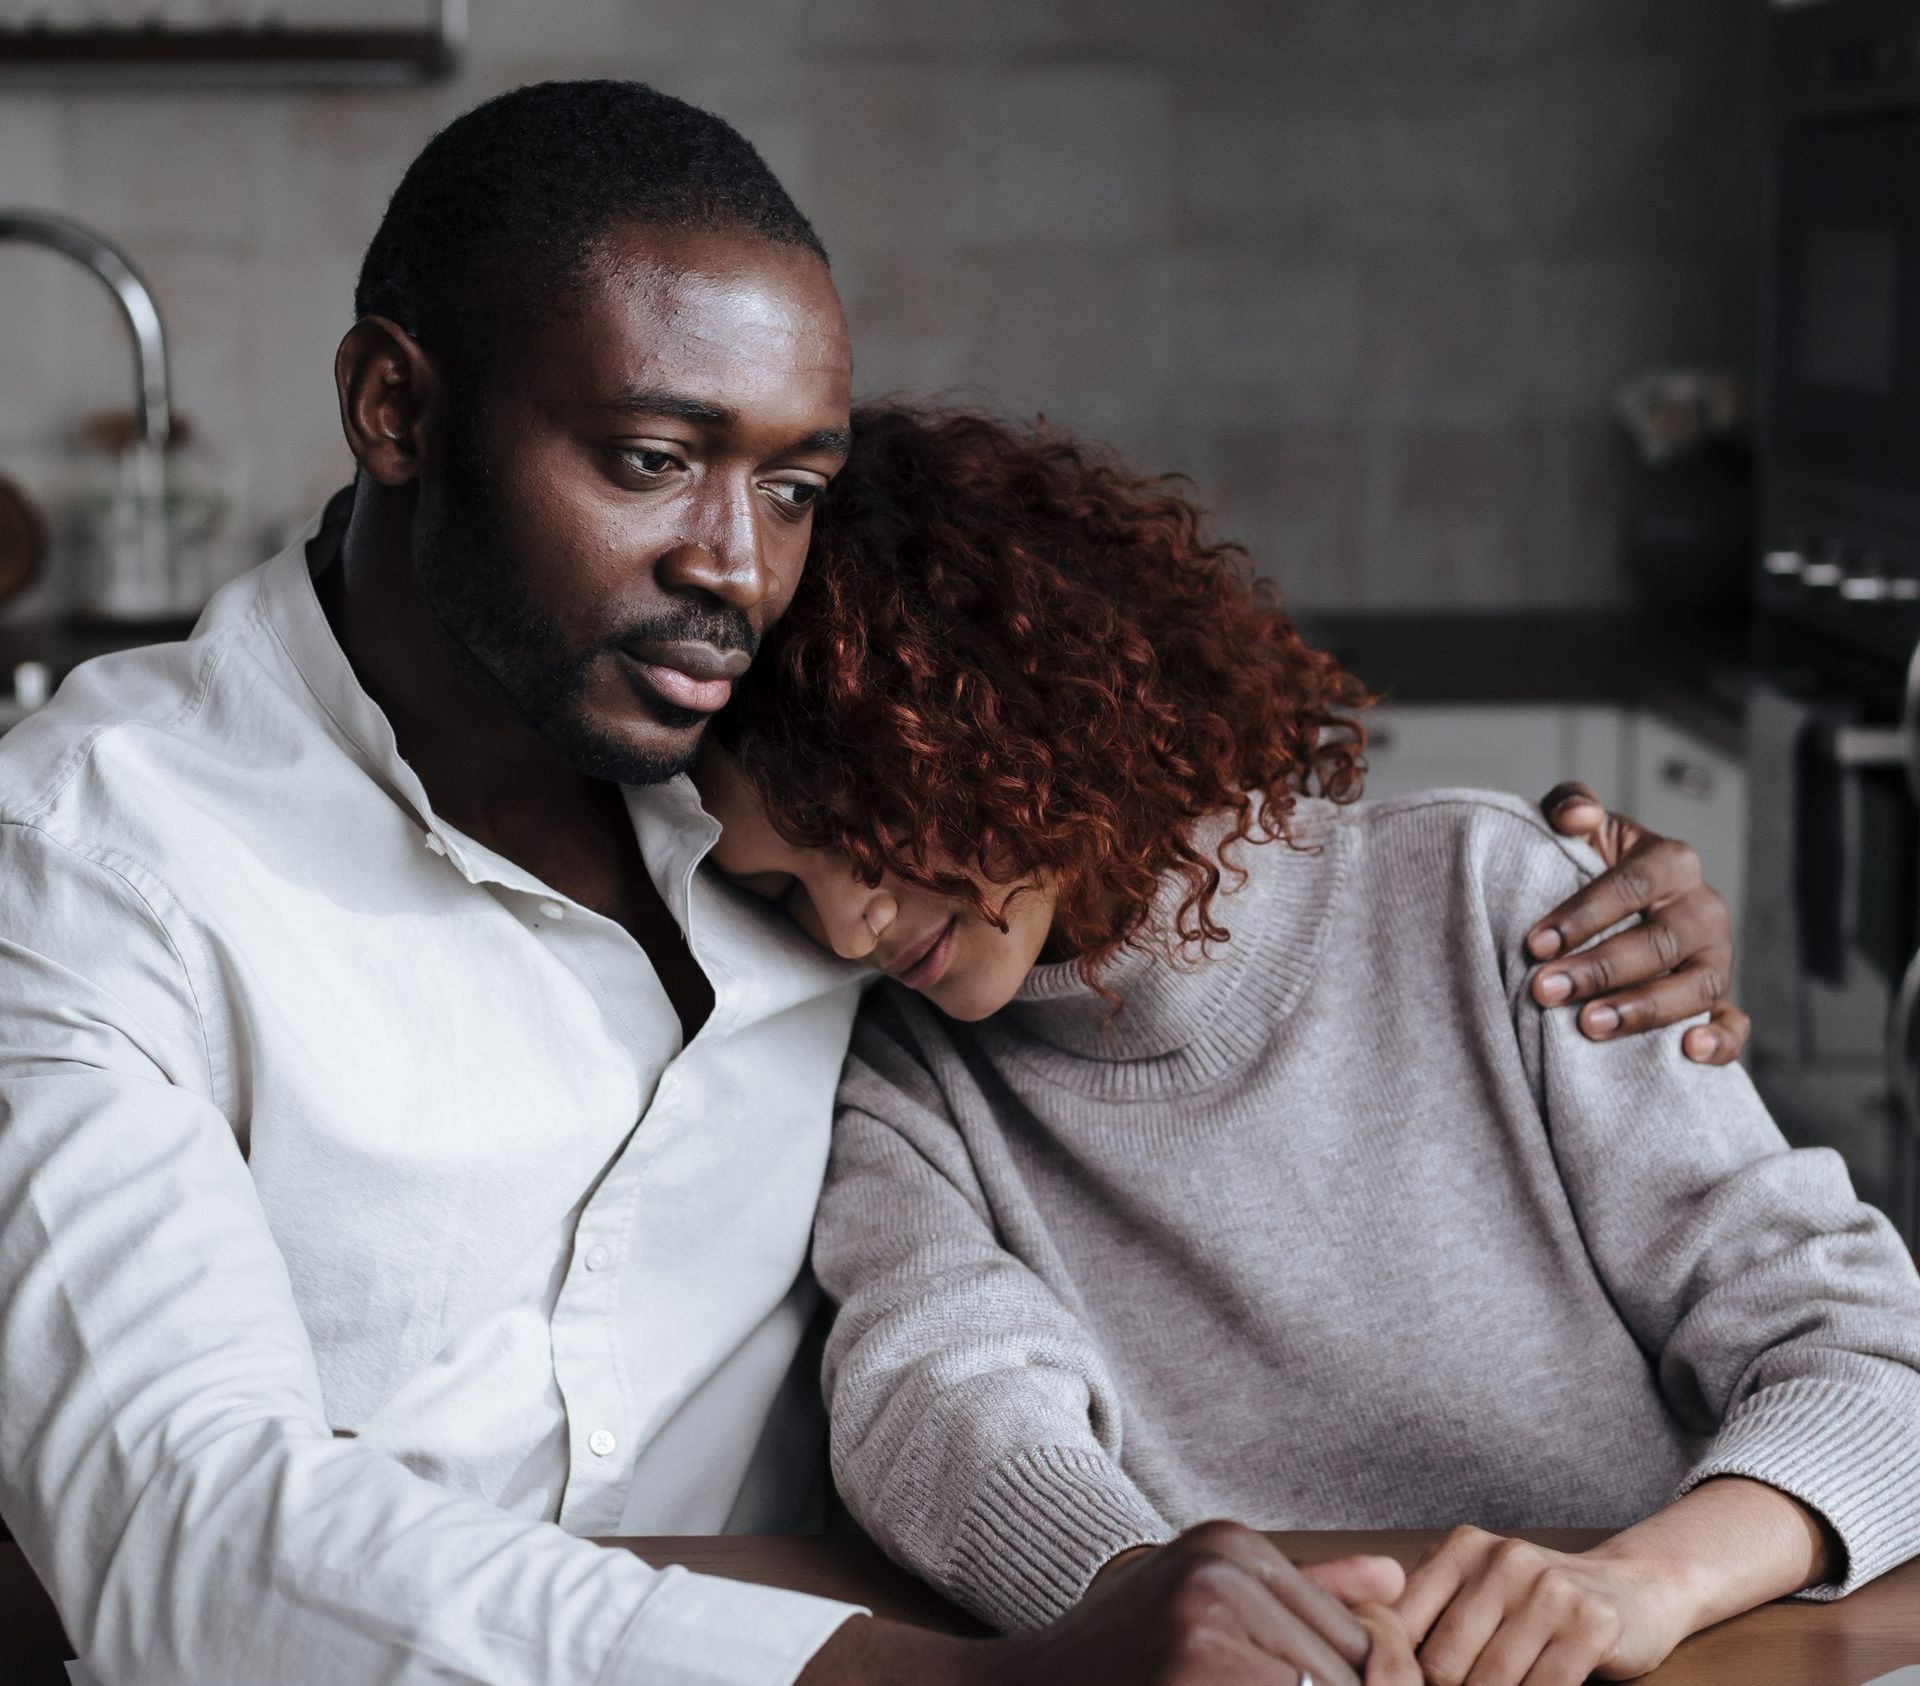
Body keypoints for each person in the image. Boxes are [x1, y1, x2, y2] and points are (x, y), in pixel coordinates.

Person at [0, 82, 1747, 1686]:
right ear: (395, 408)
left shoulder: (810, 794)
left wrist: (1574, 901)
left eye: (795, 484)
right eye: (649, 459)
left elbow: (1163, 870)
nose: (736, 569)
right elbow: (186, 1521)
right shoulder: (90, 858)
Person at [702, 403, 1920, 1685]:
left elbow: (1868, 1349)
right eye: (784, 889)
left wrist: (1638, 1586)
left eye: (865, 832)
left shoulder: (1496, 899)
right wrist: (1144, 1604)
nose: (846, 927)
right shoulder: (905, 1074)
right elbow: (937, 1398)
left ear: (1002, 725)